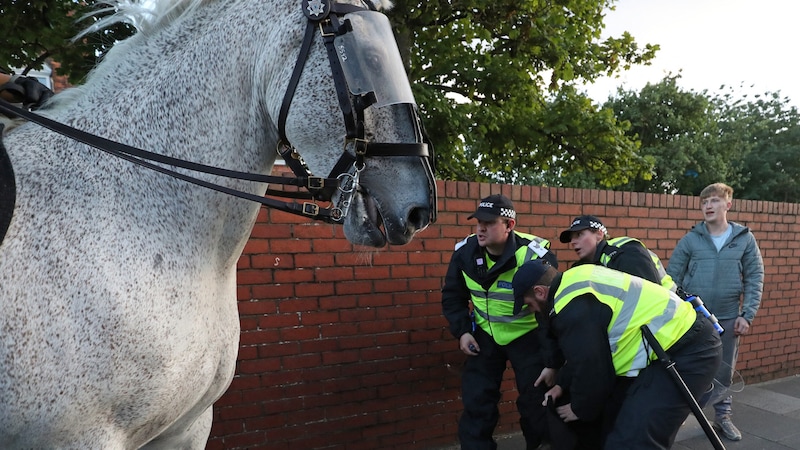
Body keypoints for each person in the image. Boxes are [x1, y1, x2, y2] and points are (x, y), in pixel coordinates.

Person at [512, 260, 722, 449]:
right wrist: (561, 383)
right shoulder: (575, 280)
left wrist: (579, 408)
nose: (533, 311)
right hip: (671, 347)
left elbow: (592, 367)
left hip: (687, 352)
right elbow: (586, 352)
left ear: (540, 292)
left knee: (632, 442)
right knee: (614, 424)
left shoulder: (570, 307)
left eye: (529, 305)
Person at [441, 194, 558, 450]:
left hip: (527, 337)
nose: (481, 228)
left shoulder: (534, 254)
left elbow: (550, 311)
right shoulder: (464, 254)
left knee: (535, 402)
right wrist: (462, 332)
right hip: (483, 336)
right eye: (478, 222)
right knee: (477, 402)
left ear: (509, 226)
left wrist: (551, 359)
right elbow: (453, 297)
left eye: (489, 222)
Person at [666, 182, 764, 441]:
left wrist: (748, 314)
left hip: (729, 317)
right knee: (686, 368)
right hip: (694, 319)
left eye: (714, 201)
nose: (708, 206)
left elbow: (755, 277)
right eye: (704, 202)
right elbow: (670, 279)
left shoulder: (744, 239)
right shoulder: (691, 239)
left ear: (728, 205)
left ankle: (722, 417)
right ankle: (681, 415)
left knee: (723, 372)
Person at [559, 214, 675, 290]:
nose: (573, 242)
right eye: (572, 238)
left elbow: (651, 293)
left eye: (579, 235)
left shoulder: (624, 251)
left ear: (599, 234)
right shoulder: (583, 266)